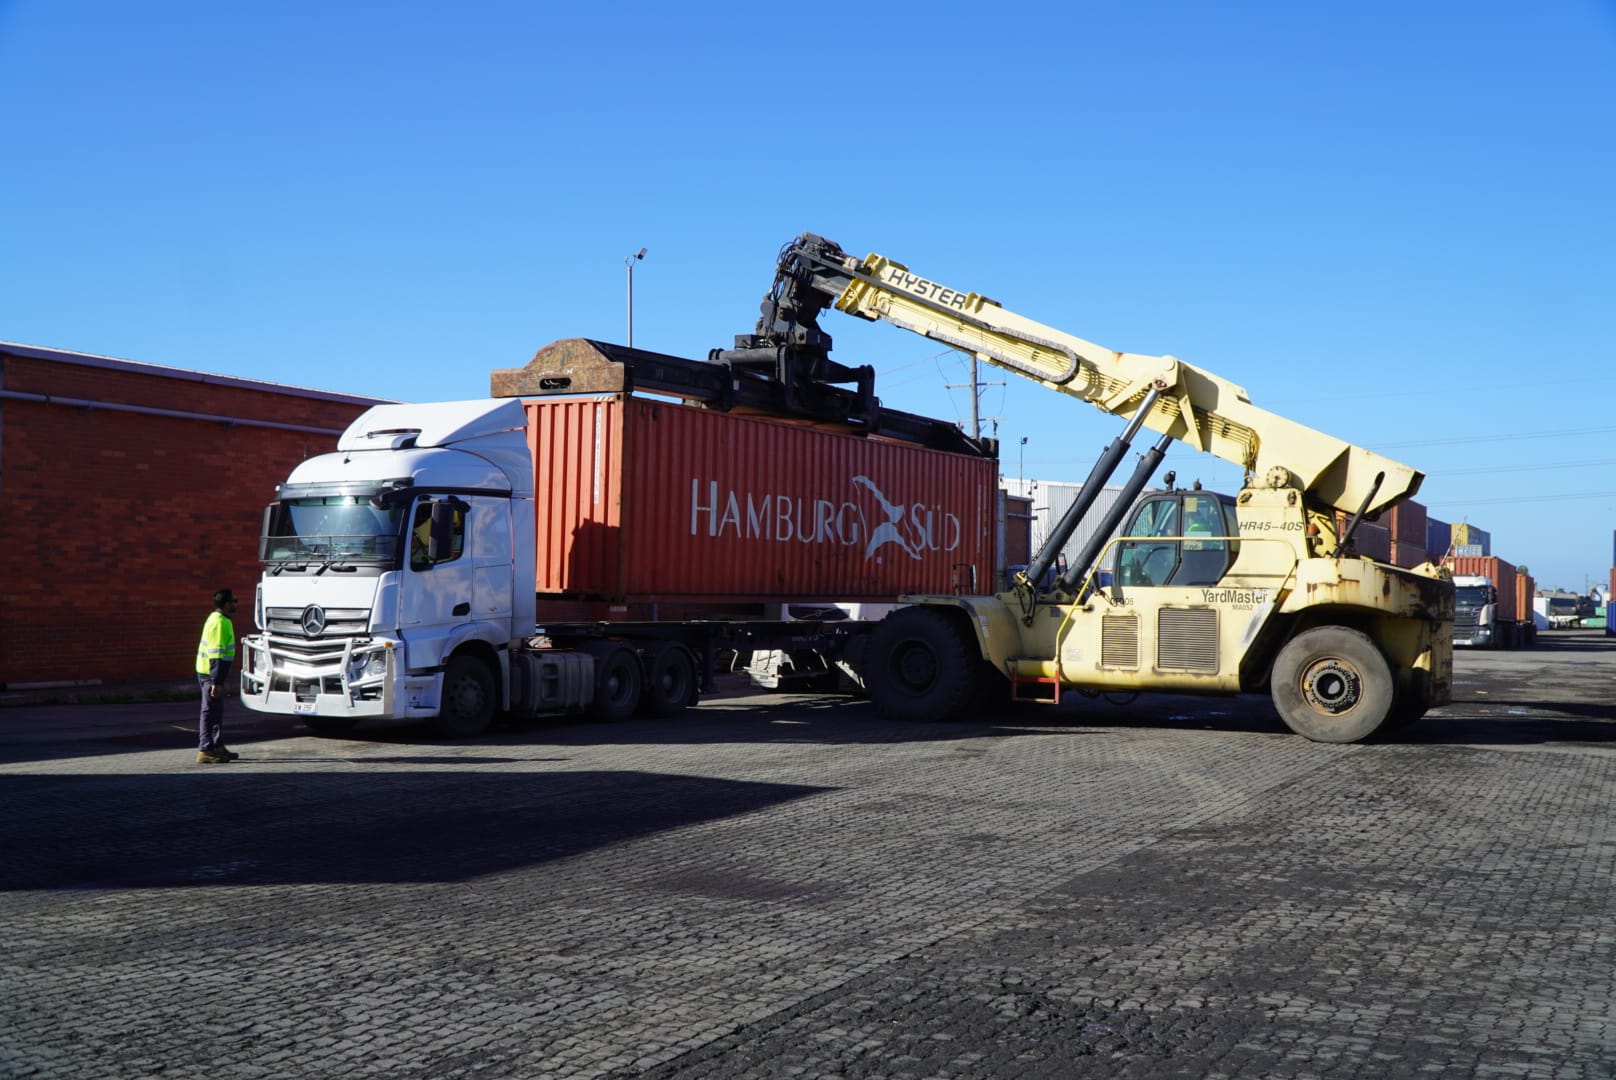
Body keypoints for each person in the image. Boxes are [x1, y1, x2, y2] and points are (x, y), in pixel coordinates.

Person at [195, 588, 241, 764]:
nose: (236, 603)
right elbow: (215, 655)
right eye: (234, 601)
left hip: (214, 674)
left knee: (216, 710)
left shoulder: (222, 620)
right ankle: (205, 749)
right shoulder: (219, 623)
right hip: (210, 674)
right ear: (227, 604)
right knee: (209, 711)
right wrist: (216, 682)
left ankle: (217, 745)